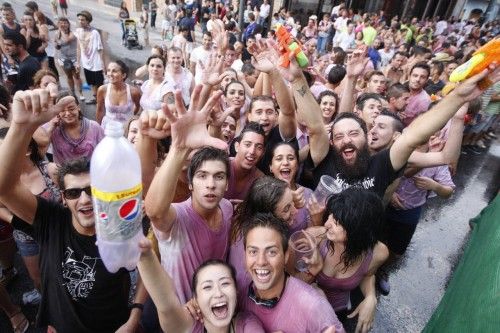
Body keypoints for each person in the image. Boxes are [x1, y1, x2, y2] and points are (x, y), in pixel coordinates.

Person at [0, 88, 136, 332]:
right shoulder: (52, 222)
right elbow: (4, 188)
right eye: (74, 193)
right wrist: (21, 127)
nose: (84, 199)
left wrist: (134, 319)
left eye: (92, 190)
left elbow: (147, 264)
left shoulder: (118, 224)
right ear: (63, 198)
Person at [139, 87, 231, 305]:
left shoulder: (227, 208)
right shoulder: (177, 218)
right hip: (180, 315)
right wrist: (179, 148)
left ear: (227, 185)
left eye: (218, 177)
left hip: (217, 309)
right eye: (202, 176)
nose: (210, 185)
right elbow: (154, 211)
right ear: (190, 184)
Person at [238, 213, 345, 332]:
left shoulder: (312, 306)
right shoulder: (238, 291)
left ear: (286, 256)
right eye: (253, 252)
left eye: (271, 252)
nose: (261, 261)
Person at [301, 188, 389, 332]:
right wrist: (311, 276)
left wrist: (371, 297)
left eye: (337, 222)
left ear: (358, 230)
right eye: (330, 215)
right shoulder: (314, 238)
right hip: (308, 309)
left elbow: (367, 275)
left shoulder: (378, 253)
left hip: (340, 309)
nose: (327, 224)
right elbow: (289, 284)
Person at [138, 243, 265, 332]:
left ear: (236, 291)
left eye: (225, 283)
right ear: (195, 299)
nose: (218, 293)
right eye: (207, 287)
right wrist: (146, 257)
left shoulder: (247, 324)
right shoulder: (190, 326)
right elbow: (167, 306)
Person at [34, 91, 104, 164]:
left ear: (78, 107)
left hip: (92, 172)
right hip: (63, 173)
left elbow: (106, 150)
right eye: (62, 110)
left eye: (71, 109)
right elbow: (39, 154)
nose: (67, 113)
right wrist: (51, 128)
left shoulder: (93, 127)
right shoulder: (53, 129)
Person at [224, 122, 265, 201]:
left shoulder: (260, 179)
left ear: (263, 153)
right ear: (237, 146)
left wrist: (246, 208)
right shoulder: (222, 166)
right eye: (247, 144)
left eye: (259, 147)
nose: (252, 151)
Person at [96, 61, 141, 128]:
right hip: (108, 128)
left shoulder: (133, 92)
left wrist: (130, 118)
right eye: (108, 70)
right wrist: (98, 129)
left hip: (126, 129)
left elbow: (138, 107)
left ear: (123, 75)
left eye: (114, 71)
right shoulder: (102, 90)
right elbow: (100, 110)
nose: (110, 74)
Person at [75, 11, 105, 105]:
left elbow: (100, 48)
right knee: (91, 82)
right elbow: (78, 47)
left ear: (88, 21)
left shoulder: (94, 33)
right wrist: (78, 62)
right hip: (86, 63)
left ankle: (101, 100)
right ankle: (95, 97)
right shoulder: (78, 31)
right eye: (79, 19)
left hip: (96, 63)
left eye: (83, 20)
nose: (80, 21)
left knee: (99, 83)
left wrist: (102, 63)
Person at [55, 17, 84, 101]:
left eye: (65, 23)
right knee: (69, 76)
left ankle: (81, 93)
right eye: (60, 23)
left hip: (74, 58)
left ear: (68, 24)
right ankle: (73, 92)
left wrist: (60, 32)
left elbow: (67, 40)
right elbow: (56, 45)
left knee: (77, 76)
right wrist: (56, 44)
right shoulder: (57, 34)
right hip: (63, 59)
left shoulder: (73, 33)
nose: (63, 24)